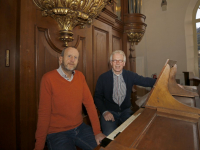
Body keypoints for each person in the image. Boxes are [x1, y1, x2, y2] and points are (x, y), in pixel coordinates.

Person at [34, 47, 105, 150]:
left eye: (75, 57)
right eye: (69, 56)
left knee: (107, 146)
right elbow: (43, 113)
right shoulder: (48, 78)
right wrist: (38, 146)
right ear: (61, 59)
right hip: (57, 133)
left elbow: (90, 105)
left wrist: (98, 132)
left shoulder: (80, 76)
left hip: (80, 128)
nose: (72, 60)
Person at [94, 50, 156, 136]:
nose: (118, 63)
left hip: (126, 111)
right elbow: (97, 97)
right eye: (115, 60)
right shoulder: (103, 78)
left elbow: (145, 81)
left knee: (135, 132)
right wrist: (104, 112)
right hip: (109, 112)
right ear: (111, 63)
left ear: (124, 63)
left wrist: (164, 82)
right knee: (109, 136)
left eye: (120, 60)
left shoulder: (130, 75)